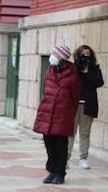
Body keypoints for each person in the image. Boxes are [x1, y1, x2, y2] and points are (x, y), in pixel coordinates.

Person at [34, 44, 81, 184]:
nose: (52, 55)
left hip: (62, 114)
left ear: (62, 56)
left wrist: (67, 111)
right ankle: (52, 170)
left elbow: (75, 96)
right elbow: (45, 89)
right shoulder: (49, 70)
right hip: (47, 112)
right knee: (49, 144)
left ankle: (60, 173)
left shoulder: (72, 73)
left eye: (55, 53)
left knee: (61, 146)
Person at [69, 44, 104, 170]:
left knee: (85, 133)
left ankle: (83, 158)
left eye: (88, 54)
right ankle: (66, 158)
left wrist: (88, 70)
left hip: (88, 105)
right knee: (70, 133)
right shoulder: (73, 69)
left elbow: (99, 82)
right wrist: (79, 68)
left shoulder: (94, 69)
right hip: (73, 105)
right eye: (83, 54)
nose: (85, 57)